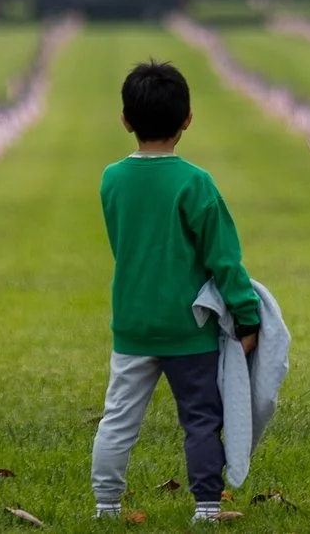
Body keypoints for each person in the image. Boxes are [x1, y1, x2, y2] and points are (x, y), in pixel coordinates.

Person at [93, 59, 261, 524]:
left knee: (118, 420)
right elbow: (223, 259)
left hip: (131, 323)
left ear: (125, 120)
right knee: (201, 421)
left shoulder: (112, 179)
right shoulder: (195, 183)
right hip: (191, 327)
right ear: (188, 119)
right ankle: (206, 507)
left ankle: (105, 506)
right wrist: (248, 315)